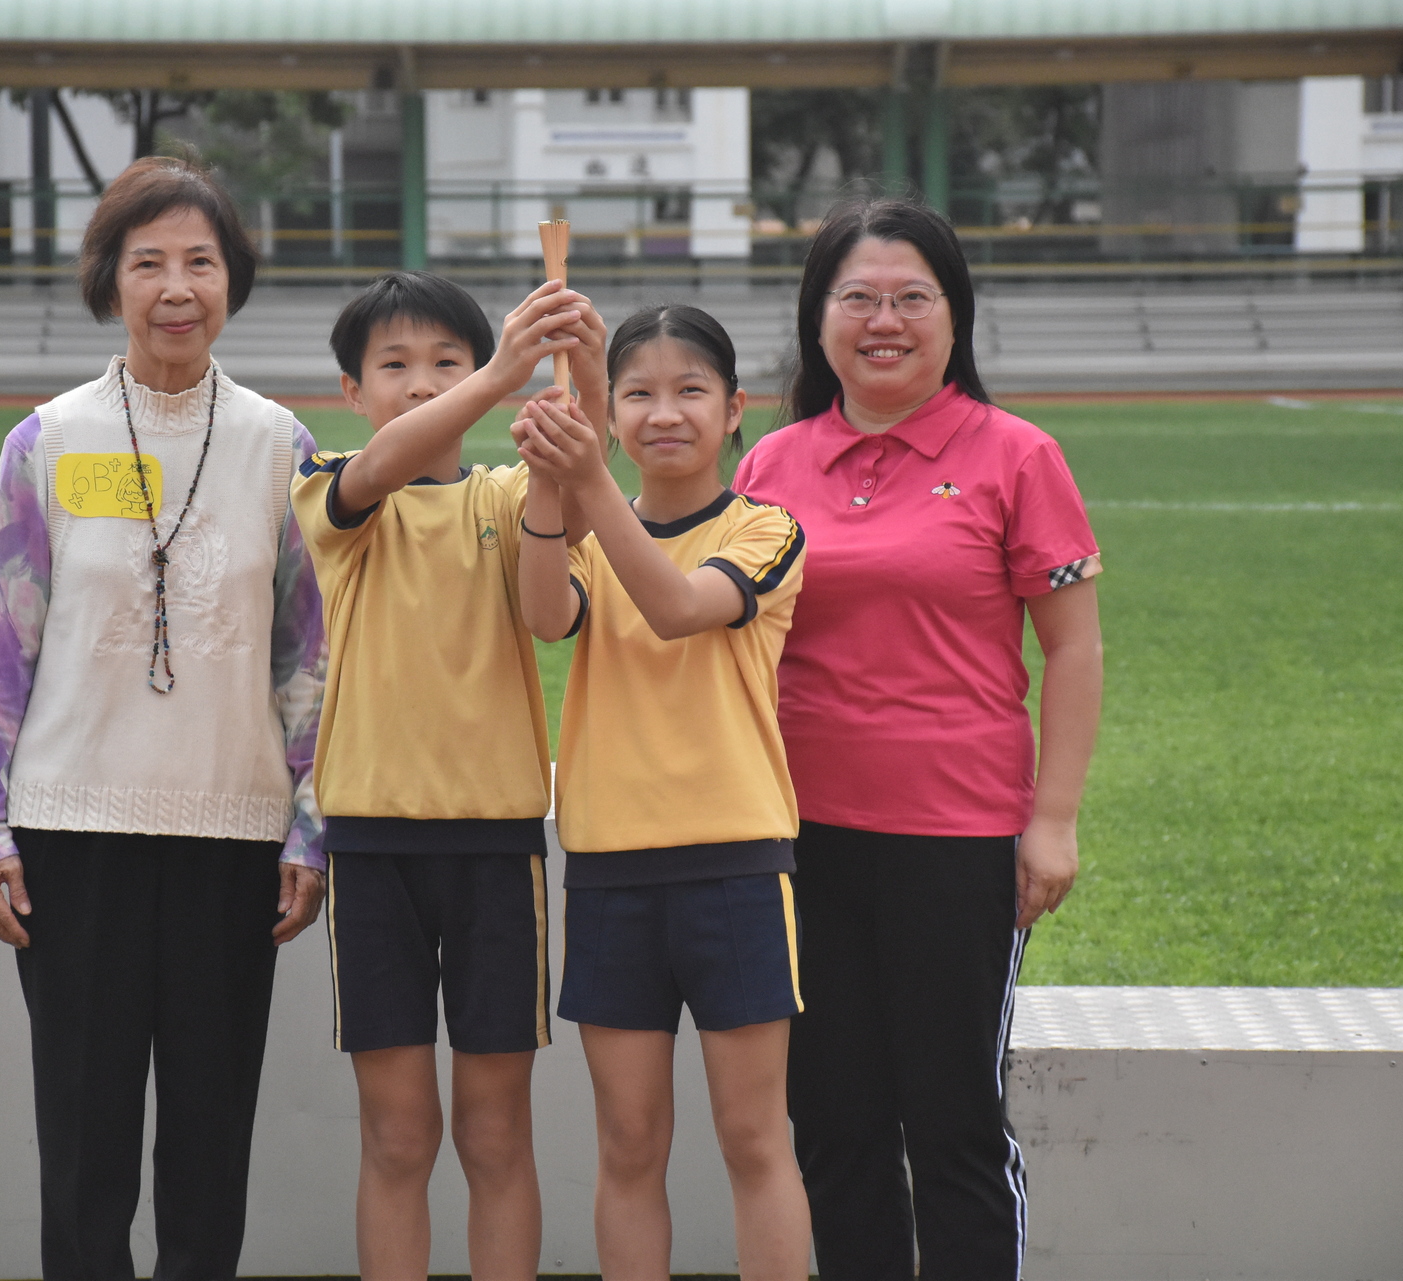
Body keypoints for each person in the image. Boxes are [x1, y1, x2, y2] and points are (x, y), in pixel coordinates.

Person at [0, 155, 328, 1281]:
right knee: (85, 1144)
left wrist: (309, 824)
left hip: (232, 837)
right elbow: (6, 649)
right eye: (148, 262)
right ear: (109, 279)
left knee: (211, 1148)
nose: (177, 288)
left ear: (233, 280)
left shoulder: (281, 448)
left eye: (200, 263)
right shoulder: (47, 442)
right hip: (71, 838)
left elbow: (306, 658)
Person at [733, 198, 1105, 1280]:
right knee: (832, 1121)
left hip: (958, 840)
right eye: (857, 298)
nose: (883, 321)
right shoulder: (772, 464)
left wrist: (1053, 821)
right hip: (794, 839)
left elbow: (1073, 649)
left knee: (952, 1122)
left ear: (954, 315)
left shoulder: (1017, 455)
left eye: (910, 298)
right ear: (818, 317)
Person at [291, 270, 605, 1281]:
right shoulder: (332, 487)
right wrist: (502, 375)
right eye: (395, 365)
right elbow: (385, 464)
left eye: (446, 362)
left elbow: (578, 506)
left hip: (496, 847)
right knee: (397, 1134)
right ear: (351, 390)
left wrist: (587, 376)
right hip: (372, 848)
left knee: (495, 1132)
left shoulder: (508, 495)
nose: (423, 383)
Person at [513, 305, 812, 1281]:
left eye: (691, 390)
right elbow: (543, 613)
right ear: (612, 413)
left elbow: (679, 607)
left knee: (753, 1137)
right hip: (610, 871)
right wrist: (551, 482)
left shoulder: (766, 529)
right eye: (637, 392)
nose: (665, 412)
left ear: (735, 409)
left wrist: (589, 478)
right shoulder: (590, 523)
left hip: (736, 869)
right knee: (629, 1142)